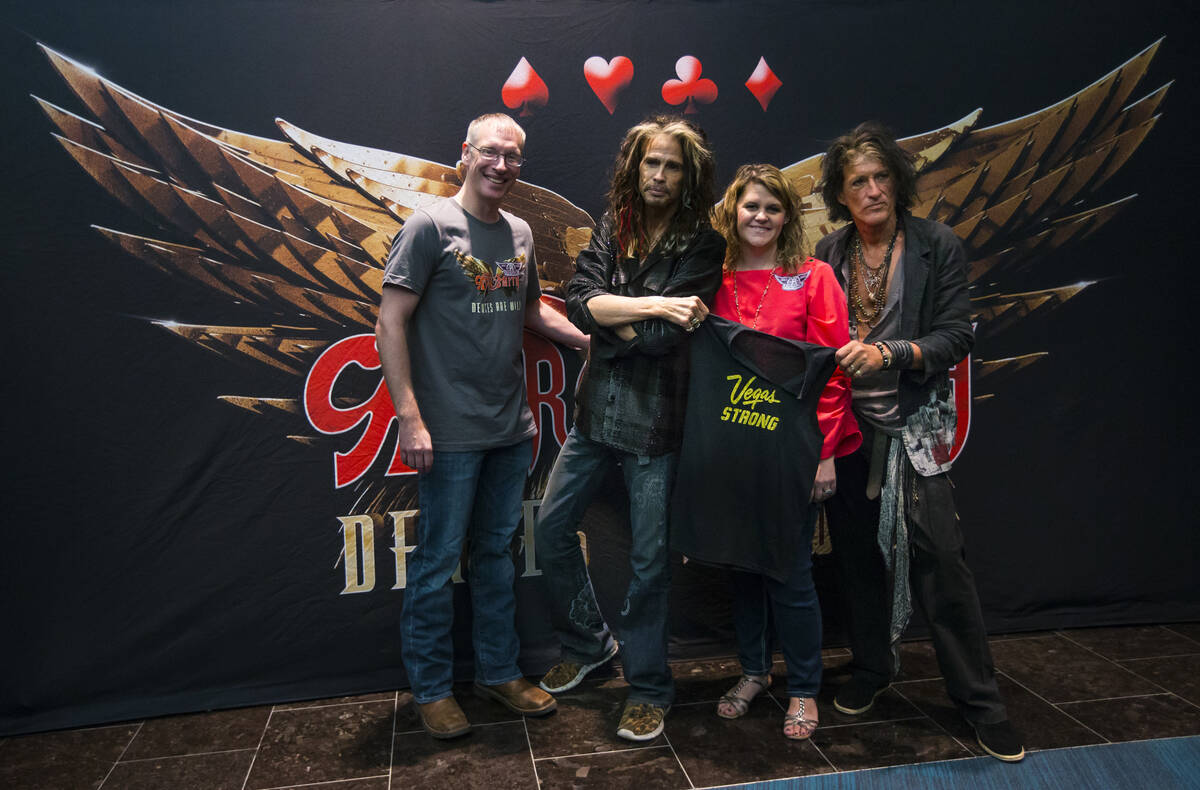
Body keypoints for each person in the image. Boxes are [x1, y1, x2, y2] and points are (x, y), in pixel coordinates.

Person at [814, 122, 1025, 761]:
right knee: (856, 559)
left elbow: (957, 335)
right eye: (859, 181)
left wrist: (894, 352)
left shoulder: (938, 244)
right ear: (841, 193)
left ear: (899, 183)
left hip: (916, 432)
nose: (873, 190)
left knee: (941, 561)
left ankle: (981, 703)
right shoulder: (829, 251)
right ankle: (874, 669)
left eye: (882, 177)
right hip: (848, 431)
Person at [375, 113, 589, 739]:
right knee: (439, 562)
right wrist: (410, 420)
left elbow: (531, 313)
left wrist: (588, 339)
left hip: (509, 429)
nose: (502, 166)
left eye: (514, 157)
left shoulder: (520, 233)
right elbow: (390, 325)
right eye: (491, 154)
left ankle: (498, 673)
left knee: (497, 555)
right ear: (465, 154)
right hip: (447, 433)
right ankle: (433, 689)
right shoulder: (427, 227)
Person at [534, 116, 725, 742]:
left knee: (648, 565)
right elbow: (576, 304)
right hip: (595, 415)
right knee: (553, 528)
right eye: (652, 163)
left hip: (654, 425)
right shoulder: (612, 229)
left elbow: (660, 340)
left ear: (688, 174)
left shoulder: (703, 245)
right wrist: (650, 303)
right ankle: (589, 643)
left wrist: (623, 318)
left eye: (672, 165)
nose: (660, 175)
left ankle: (648, 686)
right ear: (634, 167)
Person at [674, 164, 861, 740]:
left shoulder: (813, 276)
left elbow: (830, 370)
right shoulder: (713, 279)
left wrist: (823, 453)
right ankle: (754, 672)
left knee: (790, 571)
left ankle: (804, 688)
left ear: (788, 218)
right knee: (742, 569)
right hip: (731, 450)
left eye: (772, 208)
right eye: (750, 206)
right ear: (733, 211)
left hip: (793, 453)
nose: (760, 217)